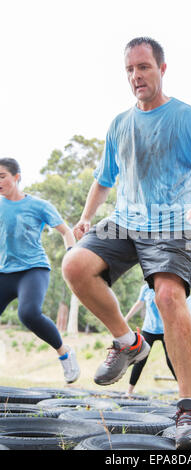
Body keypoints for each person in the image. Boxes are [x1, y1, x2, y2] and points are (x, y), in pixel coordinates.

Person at [62, 36, 191, 449]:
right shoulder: (119, 124)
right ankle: (129, 342)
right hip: (124, 221)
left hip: (170, 223)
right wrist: (87, 217)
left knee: (168, 297)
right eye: (130, 69)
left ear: (161, 68)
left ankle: (190, 411)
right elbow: (104, 180)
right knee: (74, 265)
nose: (136, 75)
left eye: (144, 67)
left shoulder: (185, 118)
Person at [0, 158, 80, 384]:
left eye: (2, 176)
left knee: (28, 313)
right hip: (5, 271)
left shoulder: (39, 205)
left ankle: (64, 353)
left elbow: (66, 232)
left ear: (17, 177)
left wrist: (71, 253)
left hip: (33, 270)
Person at [125, 284, 177, 396]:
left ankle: (185, 392)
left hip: (165, 329)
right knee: (140, 359)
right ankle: (129, 391)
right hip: (149, 329)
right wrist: (126, 318)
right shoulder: (145, 288)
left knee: (171, 361)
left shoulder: (166, 286)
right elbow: (139, 303)